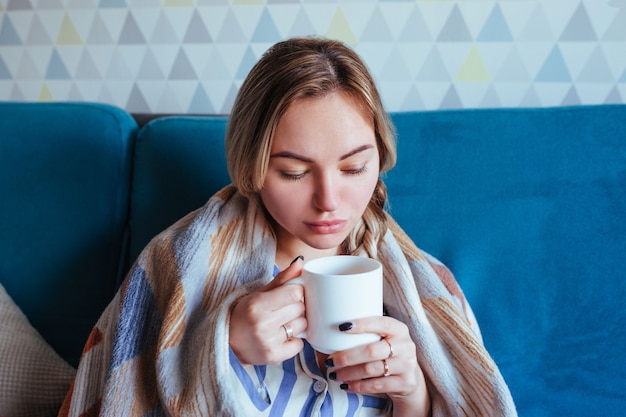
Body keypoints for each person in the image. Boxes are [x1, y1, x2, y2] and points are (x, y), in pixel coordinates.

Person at [59, 37, 516, 416]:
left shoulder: (418, 287)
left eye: (354, 168)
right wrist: (220, 350)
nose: (329, 201)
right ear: (252, 167)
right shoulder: (176, 265)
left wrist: (412, 392)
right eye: (294, 173)